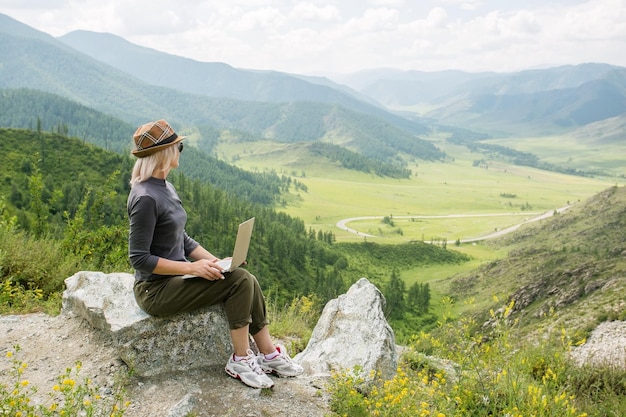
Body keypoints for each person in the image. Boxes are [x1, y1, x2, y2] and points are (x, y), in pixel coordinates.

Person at [127, 119, 303, 389]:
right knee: (240, 282)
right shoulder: (145, 198)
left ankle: (268, 354)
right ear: (164, 153)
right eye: (179, 147)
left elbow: (182, 239)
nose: (180, 151)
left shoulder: (165, 188)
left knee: (246, 278)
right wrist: (192, 269)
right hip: (154, 290)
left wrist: (217, 262)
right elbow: (139, 258)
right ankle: (241, 360)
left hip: (173, 280)